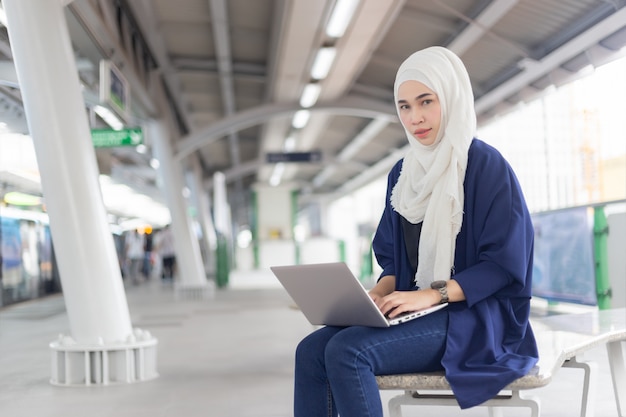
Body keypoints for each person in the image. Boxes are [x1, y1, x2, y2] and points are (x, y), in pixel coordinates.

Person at [293, 46, 539, 416]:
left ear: (451, 97)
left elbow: (503, 266)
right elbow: (395, 263)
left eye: (426, 102)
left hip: (475, 319)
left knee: (348, 351)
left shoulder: (485, 166)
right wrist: (372, 296)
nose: (415, 118)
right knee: (310, 352)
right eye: (404, 106)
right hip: (419, 311)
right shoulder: (404, 174)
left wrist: (431, 295)